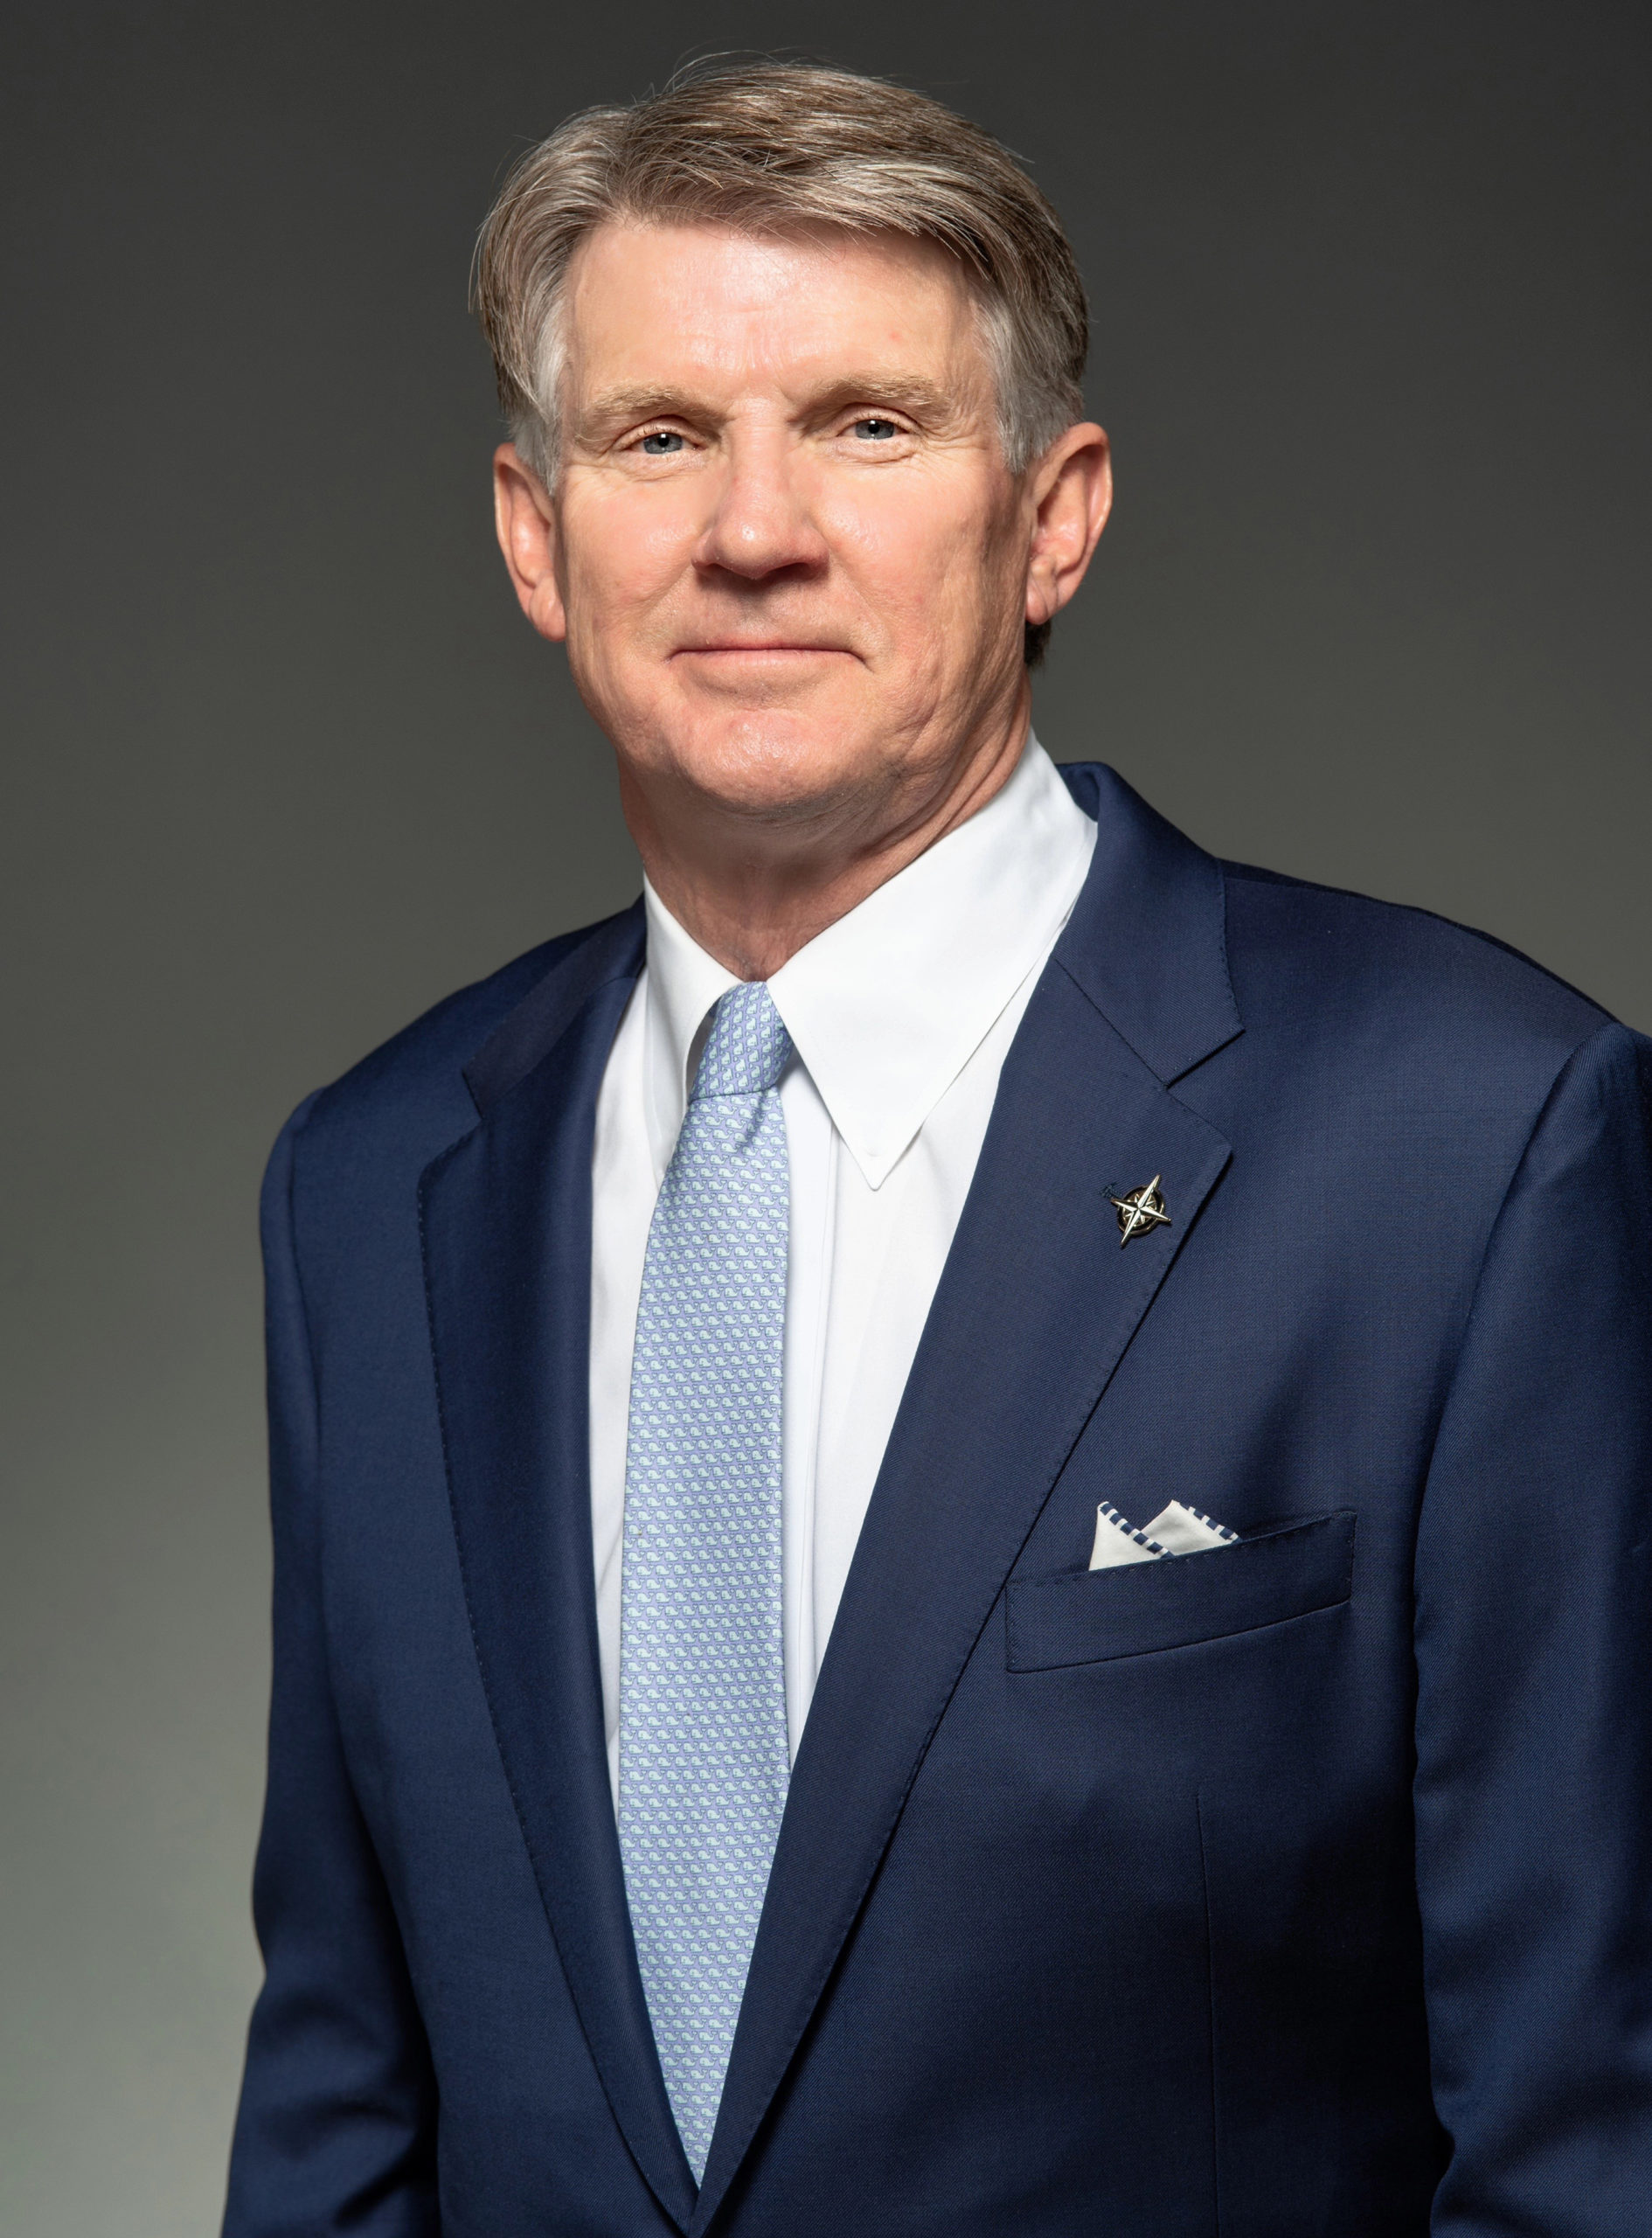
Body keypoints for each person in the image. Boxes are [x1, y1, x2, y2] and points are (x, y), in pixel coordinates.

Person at [222, 59, 1652, 2238]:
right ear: (535, 535)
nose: (755, 529)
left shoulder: (1470, 1140)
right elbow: (342, 2115)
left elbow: (1593, 2144)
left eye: (867, 425)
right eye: (659, 436)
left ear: (1054, 514)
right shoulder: (371, 1186)